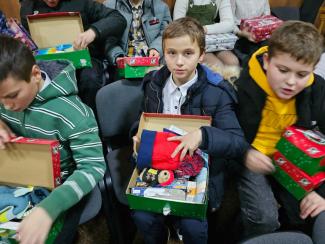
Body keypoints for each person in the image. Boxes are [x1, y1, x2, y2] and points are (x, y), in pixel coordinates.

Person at [131, 17, 248, 244]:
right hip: (160, 161)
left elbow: (237, 142)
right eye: (171, 53)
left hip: (198, 167)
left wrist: (204, 135)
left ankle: (182, 231)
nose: (179, 62)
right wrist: (137, 136)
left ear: (201, 55)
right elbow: (142, 120)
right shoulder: (153, 84)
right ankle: (163, 235)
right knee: (143, 215)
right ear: (163, 52)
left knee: (192, 225)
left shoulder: (217, 92)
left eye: (188, 53)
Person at [0, 35, 106, 244]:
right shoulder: (6, 96)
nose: (6, 106)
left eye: (12, 96)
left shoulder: (75, 115)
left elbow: (93, 167)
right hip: (13, 179)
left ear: (36, 74)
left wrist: (50, 208)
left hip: (60, 190)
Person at [234, 21, 325, 243]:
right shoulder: (242, 85)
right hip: (253, 154)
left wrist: (322, 196)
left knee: (308, 213)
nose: (291, 82)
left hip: (294, 159)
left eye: (302, 74)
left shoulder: (317, 89)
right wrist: (245, 154)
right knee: (264, 217)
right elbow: (228, 132)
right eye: (282, 70)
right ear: (267, 61)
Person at [20, 0, 126, 112]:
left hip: (84, 58)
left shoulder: (81, 3)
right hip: (48, 61)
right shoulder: (28, 7)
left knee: (90, 79)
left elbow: (118, 19)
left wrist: (93, 32)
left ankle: (89, 120)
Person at [173, 0, 239, 68]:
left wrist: (204, 29)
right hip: (193, 41)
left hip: (215, 41)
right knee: (217, 66)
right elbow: (178, 25)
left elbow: (229, 24)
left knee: (233, 62)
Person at [104, 0, 171, 65]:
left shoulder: (161, 7)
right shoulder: (110, 6)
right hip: (123, 61)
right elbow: (106, 39)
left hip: (153, 61)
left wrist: (156, 48)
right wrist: (118, 55)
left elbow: (166, 35)